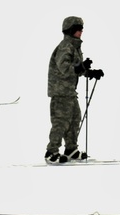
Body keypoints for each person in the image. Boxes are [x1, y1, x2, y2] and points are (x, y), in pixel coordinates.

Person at [45, 16, 104, 164]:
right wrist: (81, 67)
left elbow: (77, 68)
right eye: (78, 29)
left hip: (69, 92)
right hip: (60, 92)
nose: (81, 31)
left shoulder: (75, 46)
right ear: (70, 30)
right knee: (61, 122)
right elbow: (64, 68)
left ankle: (70, 149)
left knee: (74, 119)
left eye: (81, 29)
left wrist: (90, 72)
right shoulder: (65, 46)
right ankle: (51, 151)